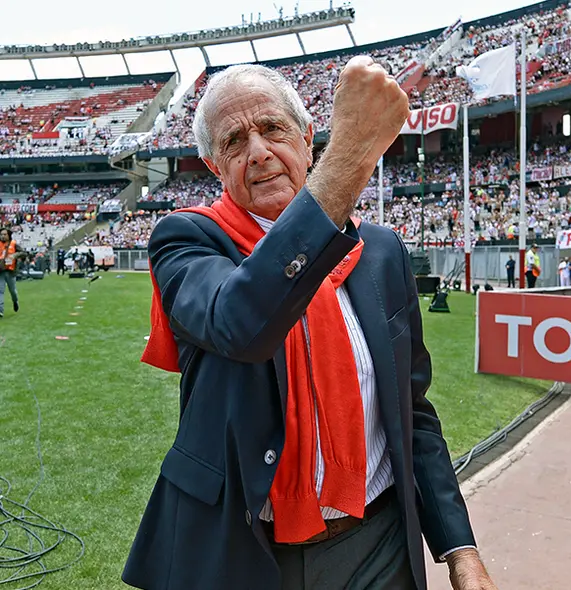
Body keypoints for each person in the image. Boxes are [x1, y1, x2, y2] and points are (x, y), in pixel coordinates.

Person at [124, 60, 497, 590]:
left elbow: (411, 412)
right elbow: (243, 322)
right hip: (246, 550)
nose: (257, 152)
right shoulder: (186, 240)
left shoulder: (381, 250)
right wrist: (353, 153)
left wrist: (460, 549)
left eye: (272, 129)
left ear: (305, 137)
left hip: (378, 541)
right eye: (234, 141)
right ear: (214, 167)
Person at [0, 228, 27, 318]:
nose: (3, 236)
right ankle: (0, 310)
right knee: (0, 291)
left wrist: (14, 255)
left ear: (8, 235)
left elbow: (24, 253)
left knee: (13, 291)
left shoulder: (14, 244)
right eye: (1, 234)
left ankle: (15, 301)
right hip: (1, 271)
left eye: (5, 234)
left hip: (11, 271)